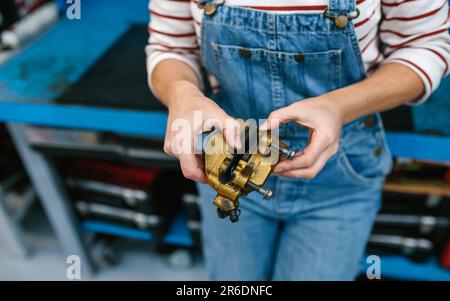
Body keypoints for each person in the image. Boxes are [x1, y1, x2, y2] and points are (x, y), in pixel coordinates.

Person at [146, 0, 450, 280]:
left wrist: (338, 106)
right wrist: (181, 92)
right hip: (227, 166)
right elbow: (170, 47)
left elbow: (426, 46)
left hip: (339, 180)